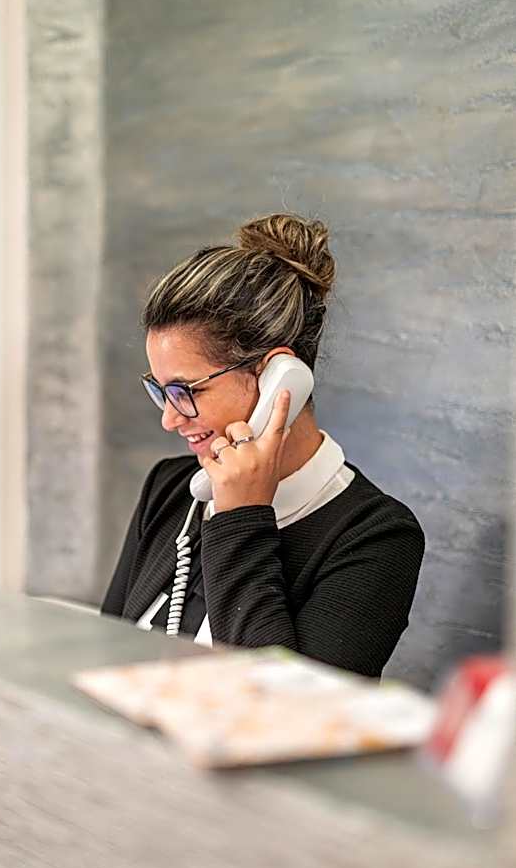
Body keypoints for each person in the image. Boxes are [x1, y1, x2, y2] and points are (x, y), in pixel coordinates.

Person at [101, 212, 424, 678]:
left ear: (276, 376)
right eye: (161, 390)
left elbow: (285, 710)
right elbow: (101, 661)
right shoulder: (171, 489)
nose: (170, 419)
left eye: (186, 391)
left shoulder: (376, 538)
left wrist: (240, 519)